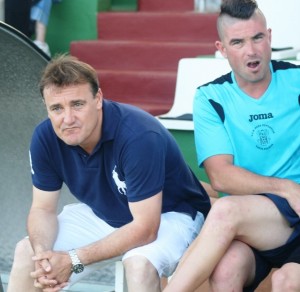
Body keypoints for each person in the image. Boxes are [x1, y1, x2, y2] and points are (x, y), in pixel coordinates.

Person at [7, 54, 211, 292]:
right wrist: (44, 256)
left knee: (138, 264)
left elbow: (146, 228)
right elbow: (42, 209)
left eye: (77, 104)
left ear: (98, 99)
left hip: (170, 215)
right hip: (107, 213)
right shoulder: (45, 137)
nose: (68, 119)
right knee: (28, 254)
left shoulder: (138, 135)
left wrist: (73, 259)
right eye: (57, 108)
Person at [164, 0, 300, 291]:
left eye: (257, 38)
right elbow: (221, 177)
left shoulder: (296, 82)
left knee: (285, 280)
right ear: (222, 48)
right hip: (258, 222)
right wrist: (285, 188)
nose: (251, 51)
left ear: (270, 37)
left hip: (295, 215)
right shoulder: (211, 97)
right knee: (226, 270)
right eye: (237, 42)